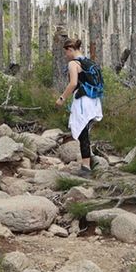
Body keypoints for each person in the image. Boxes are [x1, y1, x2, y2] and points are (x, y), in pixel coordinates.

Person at [55, 38, 102, 177]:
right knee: (85, 131)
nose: (66, 56)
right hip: (94, 101)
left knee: (82, 133)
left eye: (66, 52)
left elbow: (73, 83)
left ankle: (86, 167)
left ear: (70, 49)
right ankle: (90, 160)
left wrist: (62, 98)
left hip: (82, 102)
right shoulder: (89, 62)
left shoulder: (73, 64)